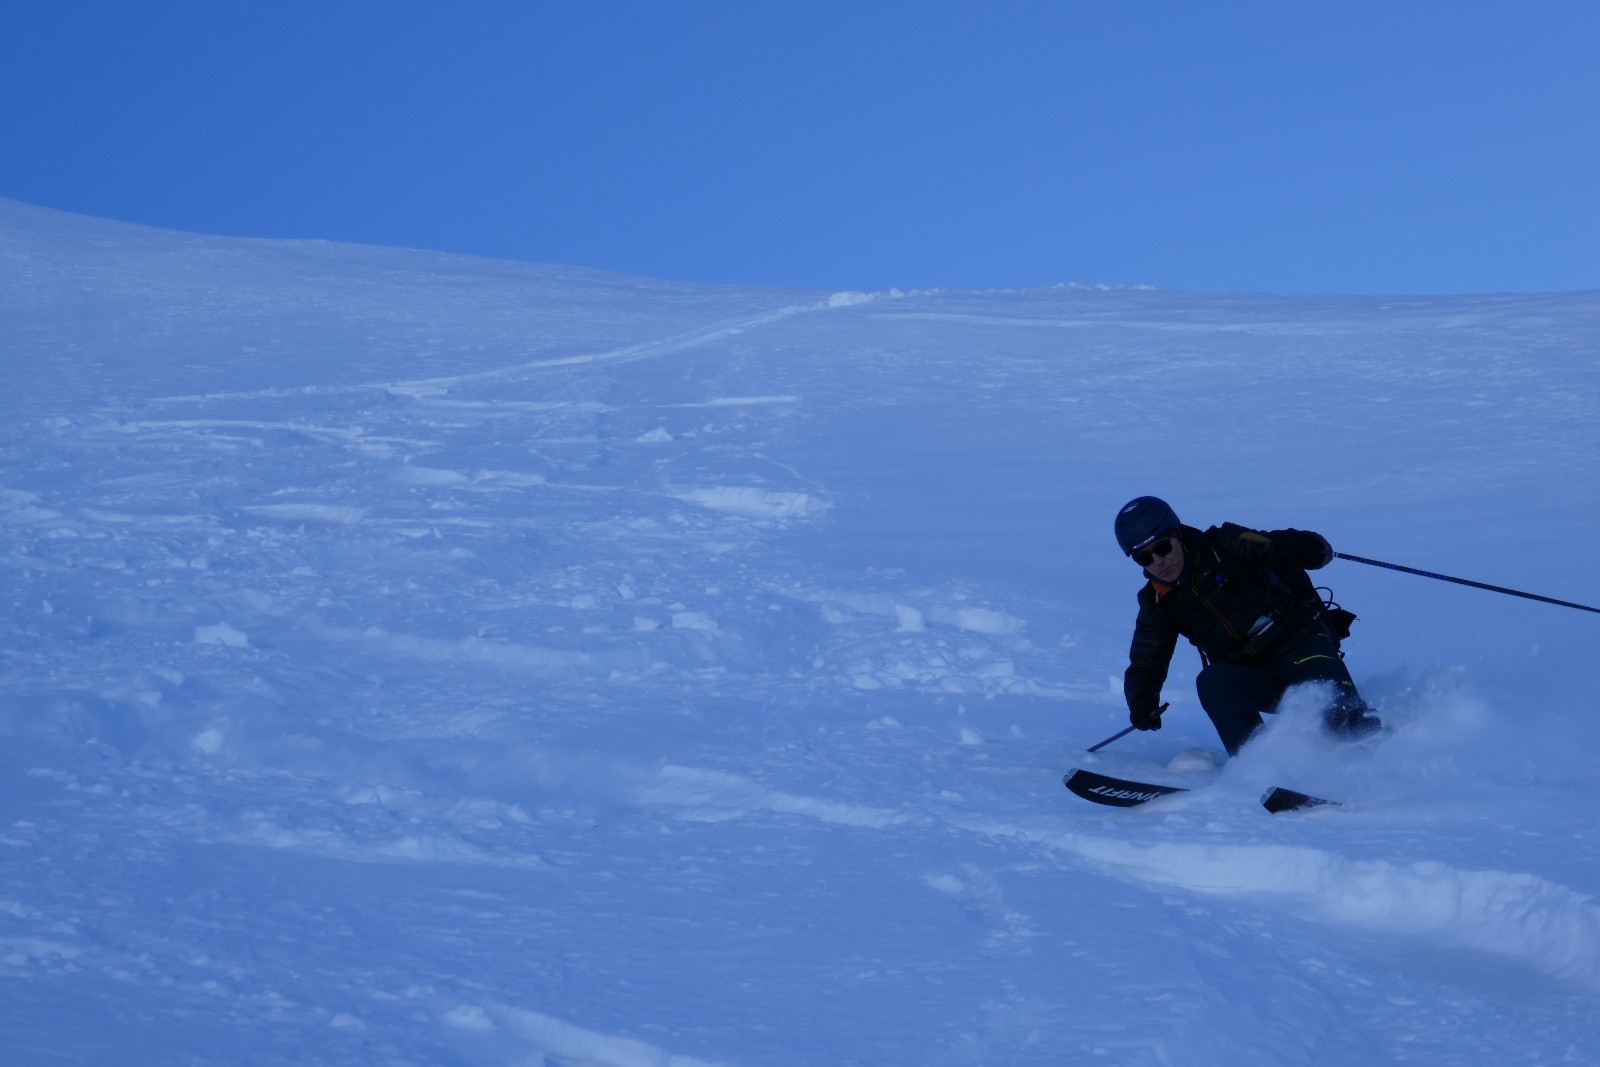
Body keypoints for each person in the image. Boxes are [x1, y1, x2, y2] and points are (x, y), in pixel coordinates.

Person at [1115, 496, 1382, 756]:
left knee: (1344, 724)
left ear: (1178, 535)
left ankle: (1383, 758)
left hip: (1301, 645)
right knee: (1212, 681)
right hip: (1256, 679)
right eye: (1144, 558)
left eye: (1162, 548)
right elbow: (1146, 662)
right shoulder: (1157, 602)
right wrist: (1141, 701)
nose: (1158, 562)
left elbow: (1278, 547)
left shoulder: (1224, 545)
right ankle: (1259, 767)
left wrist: (1309, 548)